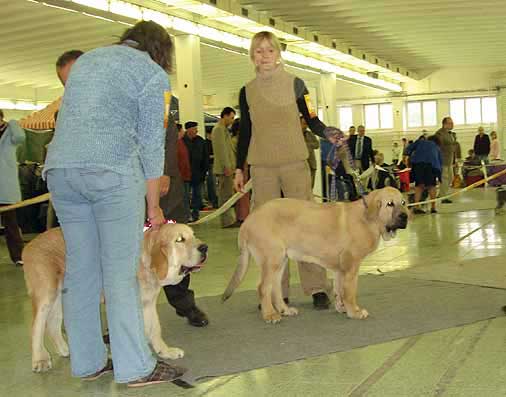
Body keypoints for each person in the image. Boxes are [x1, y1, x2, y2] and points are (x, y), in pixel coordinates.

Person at [43, 21, 186, 386]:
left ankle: (89, 361)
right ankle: (136, 366)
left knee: (81, 270)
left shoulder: (88, 61)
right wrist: (153, 207)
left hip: (61, 172)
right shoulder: (153, 75)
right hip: (111, 173)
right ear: (161, 52)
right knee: (122, 273)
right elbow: (153, 145)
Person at [234, 31, 339, 310]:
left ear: (278, 53)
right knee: (268, 233)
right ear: (252, 56)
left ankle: (317, 287)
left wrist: (331, 134)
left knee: (308, 227)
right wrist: (238, 168)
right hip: (262, 168)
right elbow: (245, 132)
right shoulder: (247, 91)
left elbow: (312, 120)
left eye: (269, 50)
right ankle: (275, 292)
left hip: (294, 164)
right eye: (259, 51)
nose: (264, 55)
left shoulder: (296, 85)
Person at [0, 110, 25, 267]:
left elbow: (20, 137)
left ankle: (18, 256)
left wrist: (13, 123)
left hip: (5, 186)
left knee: (11, 224)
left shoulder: (11, 131)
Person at [212, 107, 238, 227]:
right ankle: (226, 221)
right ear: (225, 116)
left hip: (228, 168)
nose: (232, 120)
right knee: (225, 196)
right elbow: (221, 150)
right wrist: (227, 166)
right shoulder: (218, 130)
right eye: (231, 117)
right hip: (224, 170)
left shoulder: (224, 130)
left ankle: (229, 220)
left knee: (228, 194)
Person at [405, 135, 442, 214]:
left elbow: (408, 149)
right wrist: (439, 176)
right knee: (432, 187)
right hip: (430, 166)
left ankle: (416, 206)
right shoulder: (436, 147)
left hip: (418, 166)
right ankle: (433, 207)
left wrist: (409, 156)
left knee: (419, 186)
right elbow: (439, 162)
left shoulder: (420, 142)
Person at [183, 121, 208, 222]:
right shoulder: (182, 142)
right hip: (186, 174)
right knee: (185, 195)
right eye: (194, 129)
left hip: (198, 173)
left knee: (197, 195)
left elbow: (205, 157)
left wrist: (204, 171)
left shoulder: (200, 141)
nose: (196, 131)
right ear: (188, 130)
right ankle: (187, 214)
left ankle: (195, 214)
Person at [435, 117, 456, 204]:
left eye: (452, 123)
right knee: (444, 179)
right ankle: (443, 197)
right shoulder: (439, 134)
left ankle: (441, 194)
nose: (452, 124)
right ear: (445, 124)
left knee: (451, 178)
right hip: (442, 161)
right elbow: (437, 147)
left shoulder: (451, 134)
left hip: (450, 160)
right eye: (450, 123)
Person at [301, 115, 320, 189]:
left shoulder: (310, 134)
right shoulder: (296, 135)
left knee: (310, 187)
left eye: (306, 124)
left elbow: (317, 145)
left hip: (311, 164)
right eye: (303, 123)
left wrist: (307, 145)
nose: (305, 126)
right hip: (300, 166)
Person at [204, 127, 218, 209]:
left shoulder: (215, 142)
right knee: (211, 184)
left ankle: (215, 200)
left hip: (215, 165)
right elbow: (206, 156)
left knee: (214, 184)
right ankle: (213, 201)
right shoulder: (206, 143)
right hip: (210, 165)